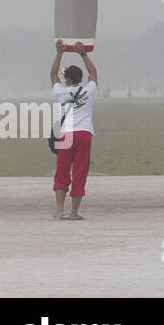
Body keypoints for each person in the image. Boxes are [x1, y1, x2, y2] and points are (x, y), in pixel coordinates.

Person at [50, 40, 98, 221]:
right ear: (80, 79)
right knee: (80, 171)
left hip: (66, 135)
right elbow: (93, 72)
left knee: (62, 171)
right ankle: (74, 213)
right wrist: (83, 53)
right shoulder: (89, 90)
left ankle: (60, 210)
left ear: (67, 80)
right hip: (84, 134)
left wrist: (59, 53)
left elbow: (53, 73)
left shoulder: (60, 92)